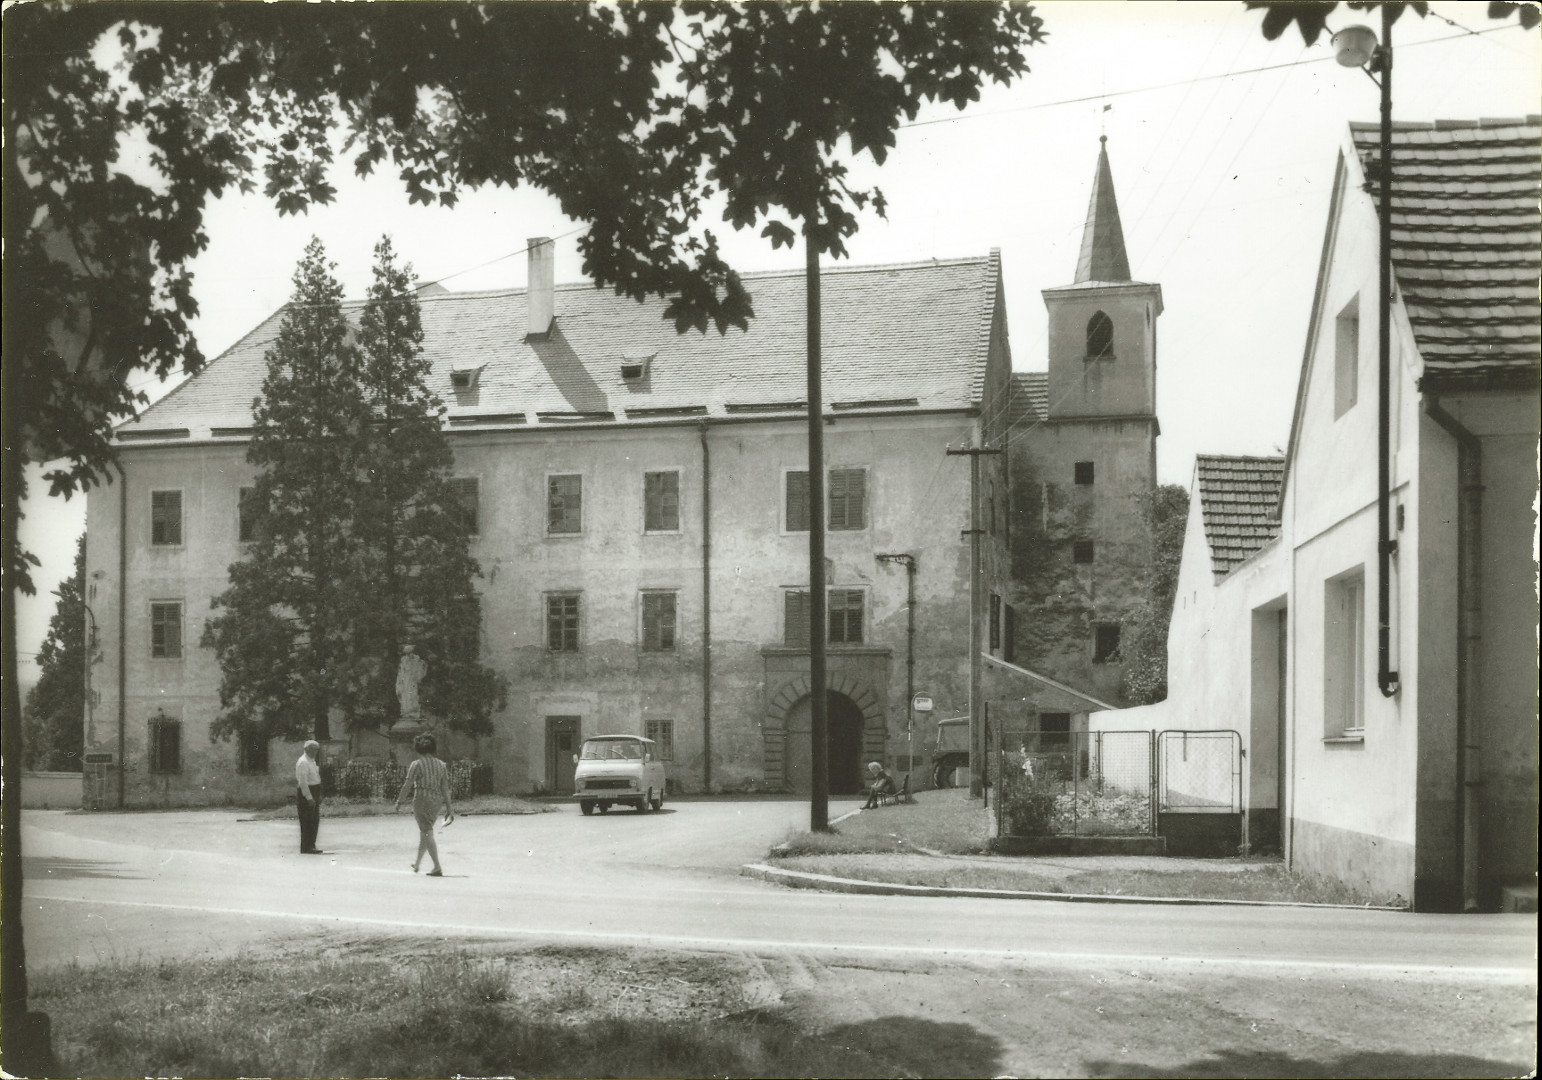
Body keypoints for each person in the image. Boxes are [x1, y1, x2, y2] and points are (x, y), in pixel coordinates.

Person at [395, 732, 454, 876]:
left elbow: (408, 784)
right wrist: (449, 808)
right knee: (425, 831)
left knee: (426, 831)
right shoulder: (441, 765)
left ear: (418, 748)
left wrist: (399, 801)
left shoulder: (417, 764)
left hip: (422, 799)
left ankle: (437, 867)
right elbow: (445, 788)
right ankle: (417, 864)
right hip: (436, 801)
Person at [295, 740, 323, 854]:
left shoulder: (311, 761)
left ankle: (311, 845)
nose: (315, 752)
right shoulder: (303, 762)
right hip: (307, 793)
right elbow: (303, 782)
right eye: (313, 749)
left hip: (314, 791)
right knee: (307, 820)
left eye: (316, 750)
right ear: (307, 749)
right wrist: (309, 798)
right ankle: (306, 847)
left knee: (314, 820)